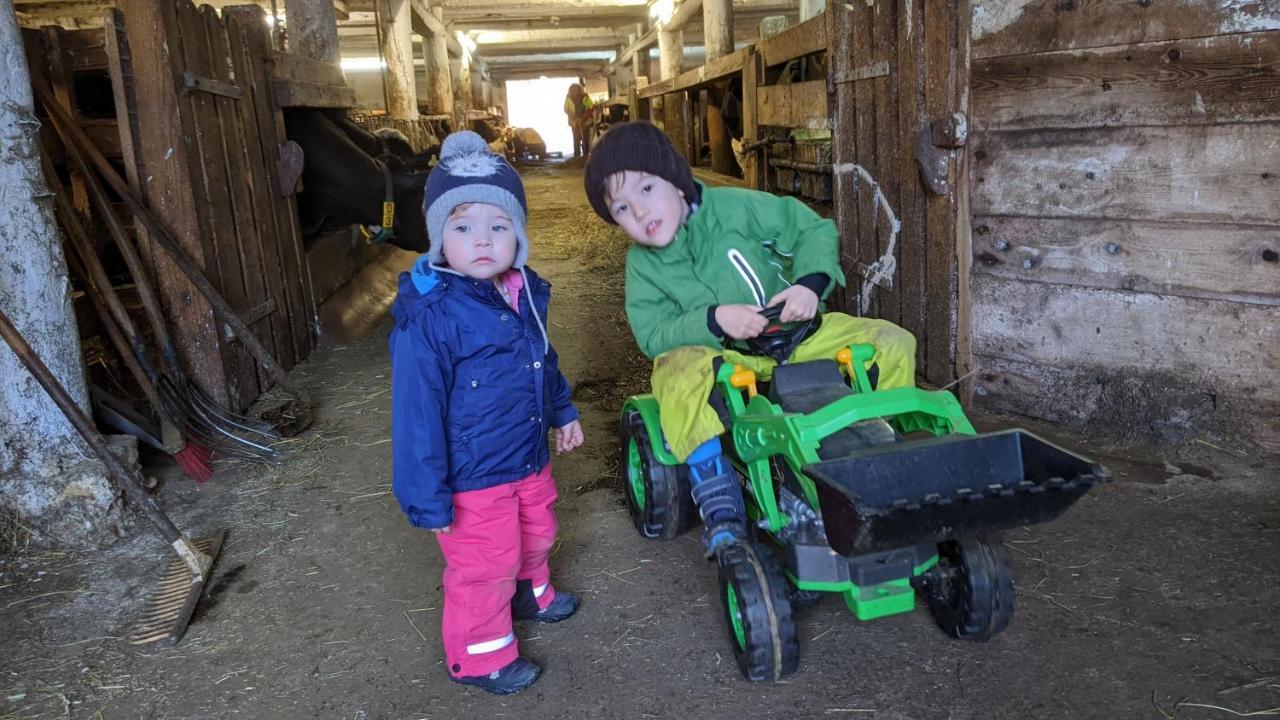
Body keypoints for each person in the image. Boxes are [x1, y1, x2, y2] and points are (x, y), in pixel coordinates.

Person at [583, 121, 916, 556]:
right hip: (728, 360)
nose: (640, 213)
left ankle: (892, 459)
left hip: (801, 335)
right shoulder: (643, 267)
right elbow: (652, 333)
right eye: (622, 208)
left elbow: (810, 229)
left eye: (646, 189)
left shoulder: (736, 208)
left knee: (892, 341)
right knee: (674, 373)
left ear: (677, 179)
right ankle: (717, 493)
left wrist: (809, 286)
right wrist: (714, 320)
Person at [390, 130, 585, 695]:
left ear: (518, 236)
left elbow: (541, 361)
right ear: (438, 238)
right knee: (484, 563)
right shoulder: (429, 318)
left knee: (538, 532)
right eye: (463, 226)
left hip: (526, 457)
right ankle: (480, 657)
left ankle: (531, 593)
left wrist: (563, 410)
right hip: (471, 478)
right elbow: (415, 418)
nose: (482, 241)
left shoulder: (522, 293)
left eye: (499, 226)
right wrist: (426, 497)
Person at [563, 82, 595, 158]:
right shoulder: (568, 98)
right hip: (574, 122)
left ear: (580, 90)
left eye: (577, 90)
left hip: (585, 121)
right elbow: (566, 109)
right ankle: (576, 155)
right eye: (573, 90)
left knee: (585, 138)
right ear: (571, 90)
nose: (575, 92)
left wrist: (583, 117)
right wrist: (573, 117)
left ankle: (586, 155)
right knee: (576, 138)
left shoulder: (585, 97)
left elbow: (591, 108)